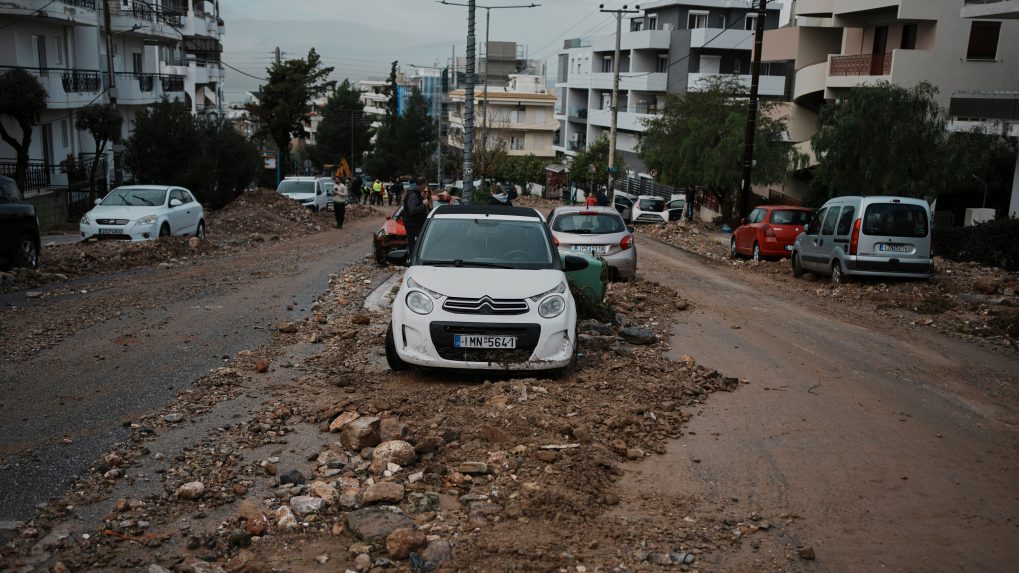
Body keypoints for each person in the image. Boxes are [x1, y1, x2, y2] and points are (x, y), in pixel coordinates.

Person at [403, 177, 432, 255]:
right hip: (413, 227)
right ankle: (413, 264)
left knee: (418, 248)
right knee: (414, 248)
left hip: (417, 226)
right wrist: (423, 204)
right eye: (425, 185)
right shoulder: (413, 194)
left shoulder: (416, 194)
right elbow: (413, 210)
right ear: (423, 185)